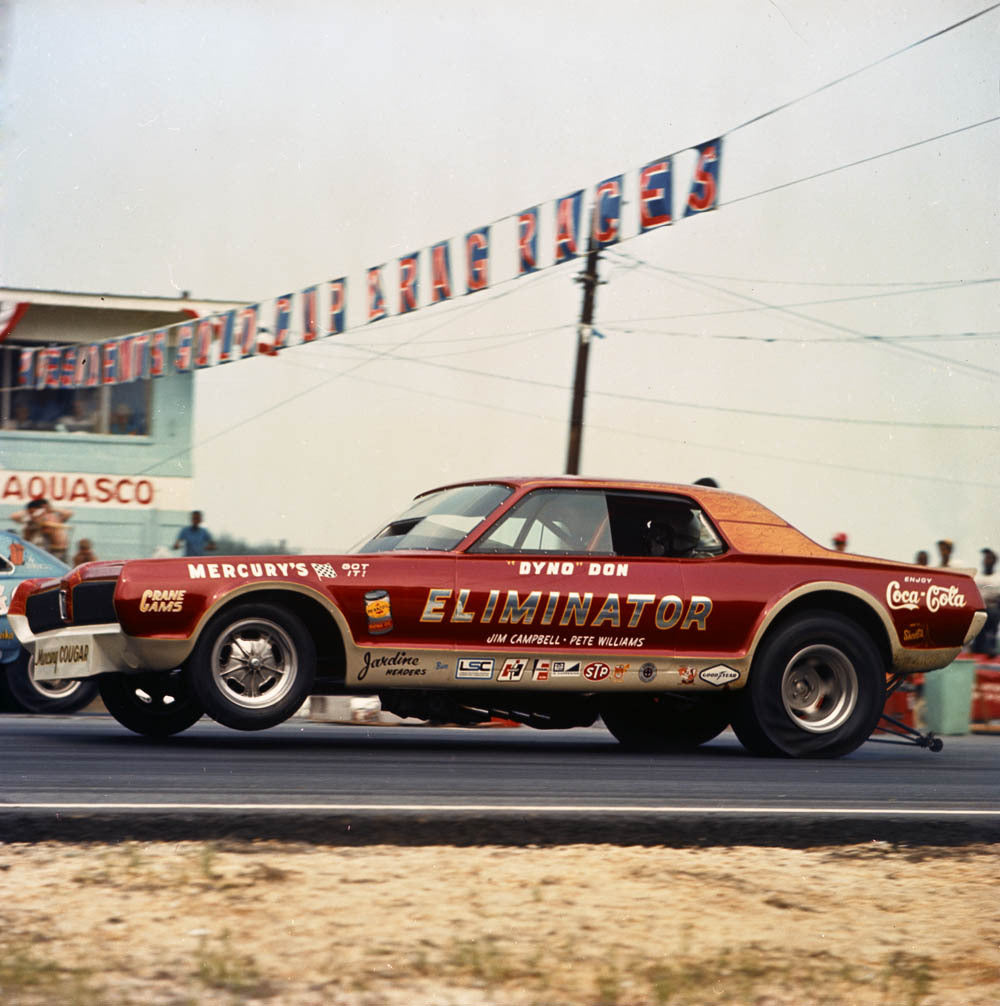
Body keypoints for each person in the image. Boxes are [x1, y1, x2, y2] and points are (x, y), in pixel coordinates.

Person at [972, 548, 999, 656]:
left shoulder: (997, 578)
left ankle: (990, 647)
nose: (987, 561)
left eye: (989, 558)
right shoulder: (977, 578)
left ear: (994, 561)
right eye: (985, 558)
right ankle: (976, 647)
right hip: (978, 607)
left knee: (992, 613)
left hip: (993, 608)